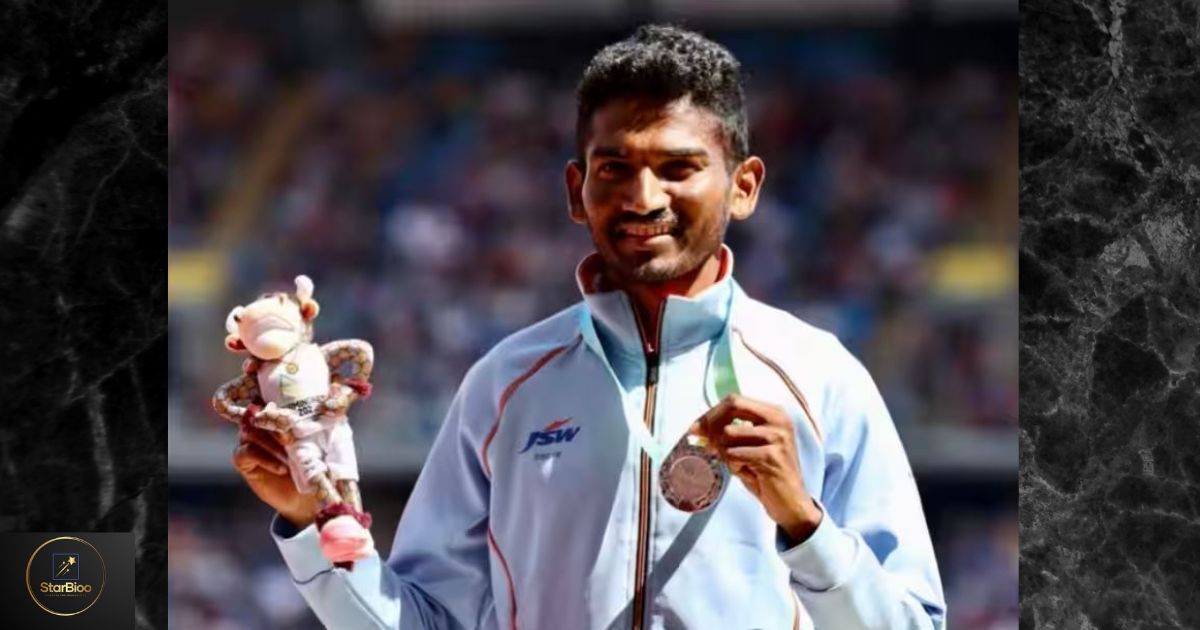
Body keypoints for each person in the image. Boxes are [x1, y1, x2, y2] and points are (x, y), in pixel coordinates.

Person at [233, 24, 946, 630]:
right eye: (616, 168)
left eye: (678, 167)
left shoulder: (821, 379)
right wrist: (308, 525)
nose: (643, 197)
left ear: (744, 186)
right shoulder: (507, 385)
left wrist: (805, 525)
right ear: (579, 191)